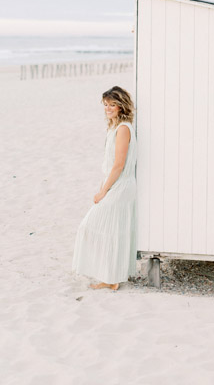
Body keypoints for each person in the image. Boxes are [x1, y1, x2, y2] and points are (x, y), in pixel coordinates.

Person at [71, 85, 137, 290]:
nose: (108, 108)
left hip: (121, 186)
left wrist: (103, 191)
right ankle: (110, 277)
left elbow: (119, 165)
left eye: (112, 105)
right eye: (106, 105)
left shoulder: (124, 129)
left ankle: (111, 280)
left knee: (99, 227)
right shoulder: (115, 127)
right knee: (104, 229)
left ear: (121, 106)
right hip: (114, 184)